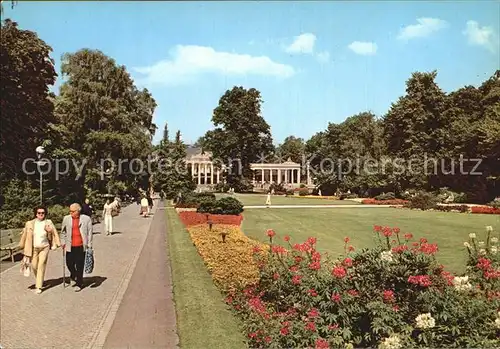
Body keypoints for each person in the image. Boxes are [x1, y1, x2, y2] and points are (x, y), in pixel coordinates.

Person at [18, 206, 60, 294]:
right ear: (36, 214)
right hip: (33, 248)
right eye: (39, 213)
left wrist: (50, 232)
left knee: (41, 265)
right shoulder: (30, 223)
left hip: (45, 247)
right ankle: (39, 279)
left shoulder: (48, 222)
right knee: (34, 266)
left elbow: (54, 233)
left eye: (43, 213)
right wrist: (22, 245)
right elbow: (24, 234)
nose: (41, 214)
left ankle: (39, 286)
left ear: (45, 214)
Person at [60, 203, 93, 292]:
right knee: (69, 263)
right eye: (70, 211)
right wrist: (62, 242)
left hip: (81, 246)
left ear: (78, 211)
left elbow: (90, 233)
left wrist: (89, 245)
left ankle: (79, 283)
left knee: (79, 265)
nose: (70, 213)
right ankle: (73, 274)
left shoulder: (86, 219)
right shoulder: (66, 219)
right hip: (70, 245)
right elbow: (63, 232)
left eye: (72, 211)